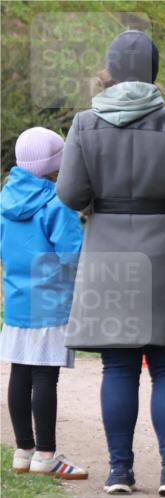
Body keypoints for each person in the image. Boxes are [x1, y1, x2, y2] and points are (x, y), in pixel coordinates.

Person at [56, 30, 165, 496]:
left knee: (118, 367)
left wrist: (99, 205)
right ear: (154, 71)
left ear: (111, 69)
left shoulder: (85, 123)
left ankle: (119, 471)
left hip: (107, 250)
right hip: (162, 252)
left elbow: (69, 194)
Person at [1, 127, 87, 479]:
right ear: (56, 164)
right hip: (50, 302)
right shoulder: (57, 202)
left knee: (20, 373)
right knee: (45, 378)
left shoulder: (5, 199)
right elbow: (71, 254)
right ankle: (47, 455)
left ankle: (24, 450)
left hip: (17, 300)